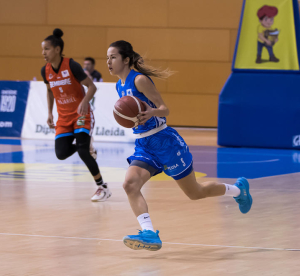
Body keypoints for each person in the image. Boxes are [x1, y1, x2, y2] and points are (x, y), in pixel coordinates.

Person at [106, 40, 253, 251]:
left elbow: (165, 109)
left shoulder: (139, 80)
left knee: (195, 192)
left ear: (126, 60)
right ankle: (149, 233)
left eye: (113, 57)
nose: (108, 62)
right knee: (130, 184)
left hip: (165, 142)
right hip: (144, 144)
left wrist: (151, 112)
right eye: (107, 58)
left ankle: (239, 190)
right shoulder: (119, 85)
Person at [41, 28, 111, 202]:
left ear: (57, 49)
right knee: (61, 153)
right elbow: (50, 91)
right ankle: (86, 146)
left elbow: (92, 86)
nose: (43, 53)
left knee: (82, 152)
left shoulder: (72, 65)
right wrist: (49, 112)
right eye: (42, 50)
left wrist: (84, 101)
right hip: (64, 117)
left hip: (81, 114)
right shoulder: (46, 70)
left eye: (47, 49)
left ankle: (102, 187)